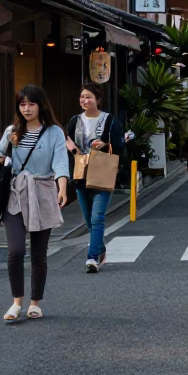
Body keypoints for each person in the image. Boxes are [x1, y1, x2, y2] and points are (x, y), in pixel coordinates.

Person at [0, 85, 69, 323]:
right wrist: (5, 154)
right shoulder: (12, 131)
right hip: (15, 193)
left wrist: (62, 187)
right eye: (22, 104)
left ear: (40, 105)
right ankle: (17, 302)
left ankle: (35, 303)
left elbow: (60, 161)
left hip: (43, 191)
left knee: (39, 253)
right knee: (15, 250)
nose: (26, 108)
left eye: (31, 103)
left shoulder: (54, 132)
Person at [64, 83, 125, 274]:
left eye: (88, 97)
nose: (84, 100)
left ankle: (91, 256)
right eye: (82, 97)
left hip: (102, 172)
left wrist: (106, 144)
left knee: (97, 217)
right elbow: (66, 142)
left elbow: (120, 144)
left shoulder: (110, 121)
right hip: (81, 173)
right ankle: (100, 248)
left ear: (98, 100)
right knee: (89, 220)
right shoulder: (74, 121)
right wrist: (73, 149)